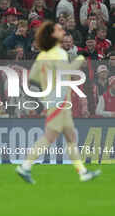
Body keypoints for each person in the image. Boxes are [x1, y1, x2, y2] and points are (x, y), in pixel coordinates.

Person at [16, 21, 101, 183]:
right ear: (52, 35)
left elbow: (33, 77)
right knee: (49, 137)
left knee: (70, 137)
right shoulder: (59, 53)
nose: (62, 30)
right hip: (59, 101)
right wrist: (81, 58)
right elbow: (68, 71)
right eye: (59, 29)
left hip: (57, 100)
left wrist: (45, 92)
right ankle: (25, 166)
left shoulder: (42, 55)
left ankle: (82, 172)